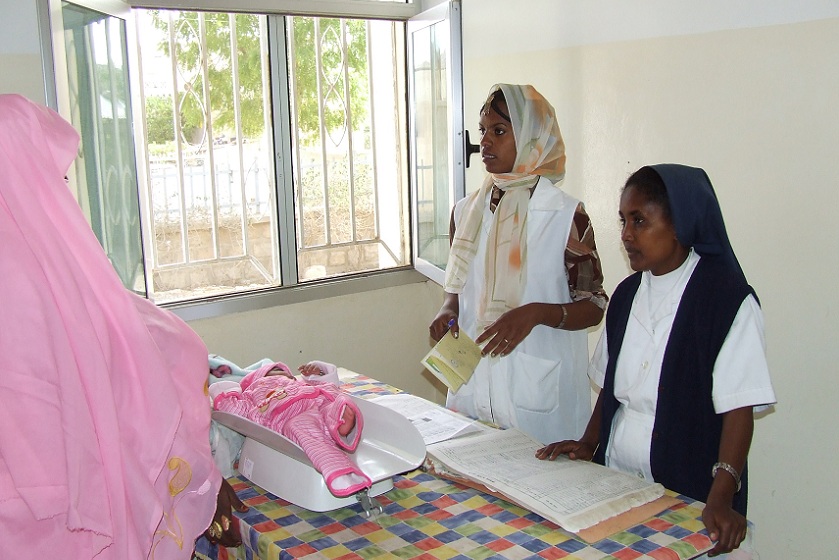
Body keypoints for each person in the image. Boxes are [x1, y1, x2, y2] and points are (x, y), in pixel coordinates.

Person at [0, 93, 246, 558]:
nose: (64, 183)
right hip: (67, 512)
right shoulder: (33, 268)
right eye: (55, 171)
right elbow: (116, 376)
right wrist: (203, 482)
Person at [536, 164, 776, 558]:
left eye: (640, 221)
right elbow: (609, 385)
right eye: (624, 221)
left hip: (692, 491)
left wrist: (721, 497)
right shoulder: (627, 296)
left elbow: (739, 410)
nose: (627, 235)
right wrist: (588, 443)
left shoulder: (726, 301)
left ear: (680, 224)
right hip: (619, 483)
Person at [428, 83, 607, 444]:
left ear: (530, 137)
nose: (486, 143)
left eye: (499, 131)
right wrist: (448, 308)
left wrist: (538, 313)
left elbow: (594, 306)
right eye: (482, 131)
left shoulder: (565, 215)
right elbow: (458, 285)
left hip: (537, 401)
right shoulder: (466, 211)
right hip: (473, 390)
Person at [211, 361, 371, 497]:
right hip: (288, 414)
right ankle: (340, 472)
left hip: (314, 398)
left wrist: (318, 372)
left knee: (332, 401)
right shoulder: (255, 391)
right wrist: (226, 394)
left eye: (285, 372)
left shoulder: (300, 383)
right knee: (305, 431)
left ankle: (339, 418)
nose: (283, 374)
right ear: (258, 378)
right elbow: (238, 410)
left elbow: (331, 383)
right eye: (274, 371)